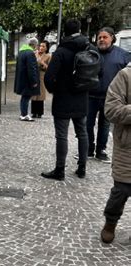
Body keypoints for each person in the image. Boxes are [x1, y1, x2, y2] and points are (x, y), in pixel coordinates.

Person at [41, 19, 90, 181]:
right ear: (80, 29)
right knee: (82, 133)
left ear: (64, 32)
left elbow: (48, 77)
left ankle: (60, 170)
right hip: (81, 97)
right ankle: (82, 168)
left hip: (63, 98)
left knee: (61, 136)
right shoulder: (89, 47)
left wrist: (55, 90)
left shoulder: (61, 50)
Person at [86, 27, 130, 163]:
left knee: (104, 125)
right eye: (99, 37)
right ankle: (88, 150)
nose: (101, 40)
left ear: (112, 38)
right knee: (88, 124)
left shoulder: (123, 55)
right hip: (90, 95)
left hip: (110, 98)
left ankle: (101, 150)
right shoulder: (90, 53)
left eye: (105, 37)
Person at [100, 62, 131, 243]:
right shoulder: (125, 75)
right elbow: (111, 110)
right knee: (121, 191)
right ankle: (110, 223)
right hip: (128, 147)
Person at [14, 37, 40, 121]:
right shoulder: (30, 53)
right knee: (26, 97)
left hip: (22, 78)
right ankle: (24, 114)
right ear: (34, 45)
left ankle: (23, 113)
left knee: (24, 97)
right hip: (27, 80)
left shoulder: (21, 52)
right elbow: (31, 68)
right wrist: (34, 81)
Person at [31, 41, 51, 118]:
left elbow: (49, 68)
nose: (41, 48)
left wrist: (42, 63)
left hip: (42, 76)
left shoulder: (48, 56)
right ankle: (33, 112)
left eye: (43, 46)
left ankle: (39, 112)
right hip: (34, 76)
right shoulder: (34, 54)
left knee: (41, 94)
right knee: (34, 94)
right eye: (40, 46)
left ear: (46, 48)